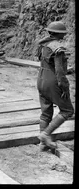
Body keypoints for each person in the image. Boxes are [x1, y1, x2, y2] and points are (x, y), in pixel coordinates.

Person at [36, 21, 74, 151]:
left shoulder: (43, 45)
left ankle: (42, 144)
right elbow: (58, 71)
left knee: (46, 112)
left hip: (41, 79)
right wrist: (64, 86)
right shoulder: (58, 48)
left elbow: (47, 63)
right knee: (68, 110)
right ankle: (45, 135)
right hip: (53, 81)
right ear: (60, 34)